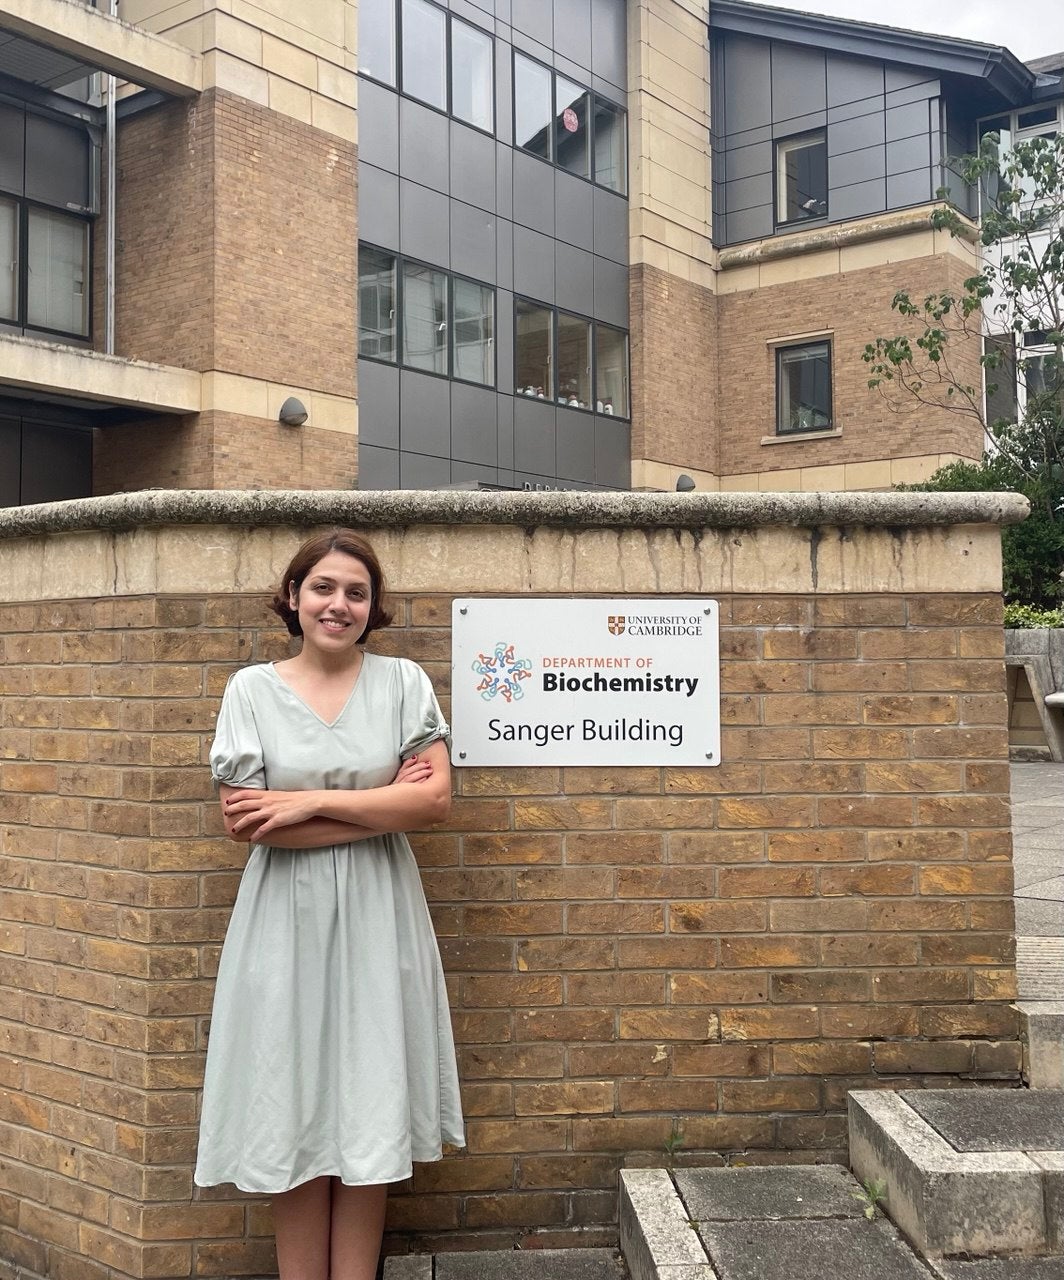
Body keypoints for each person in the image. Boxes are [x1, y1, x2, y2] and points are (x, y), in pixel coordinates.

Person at [194, 528, 464, 1280]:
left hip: (381, 917)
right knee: (293, 1102)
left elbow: (435, 801)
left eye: (355, 592)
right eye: (322, 588)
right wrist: (378, 802)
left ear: (372, 608)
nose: (337, 604)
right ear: (292, 596)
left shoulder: (404, 682)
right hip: (283, 924)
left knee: (370, 1101)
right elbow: (249, 824)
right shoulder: (251, 689)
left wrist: (305, 799)